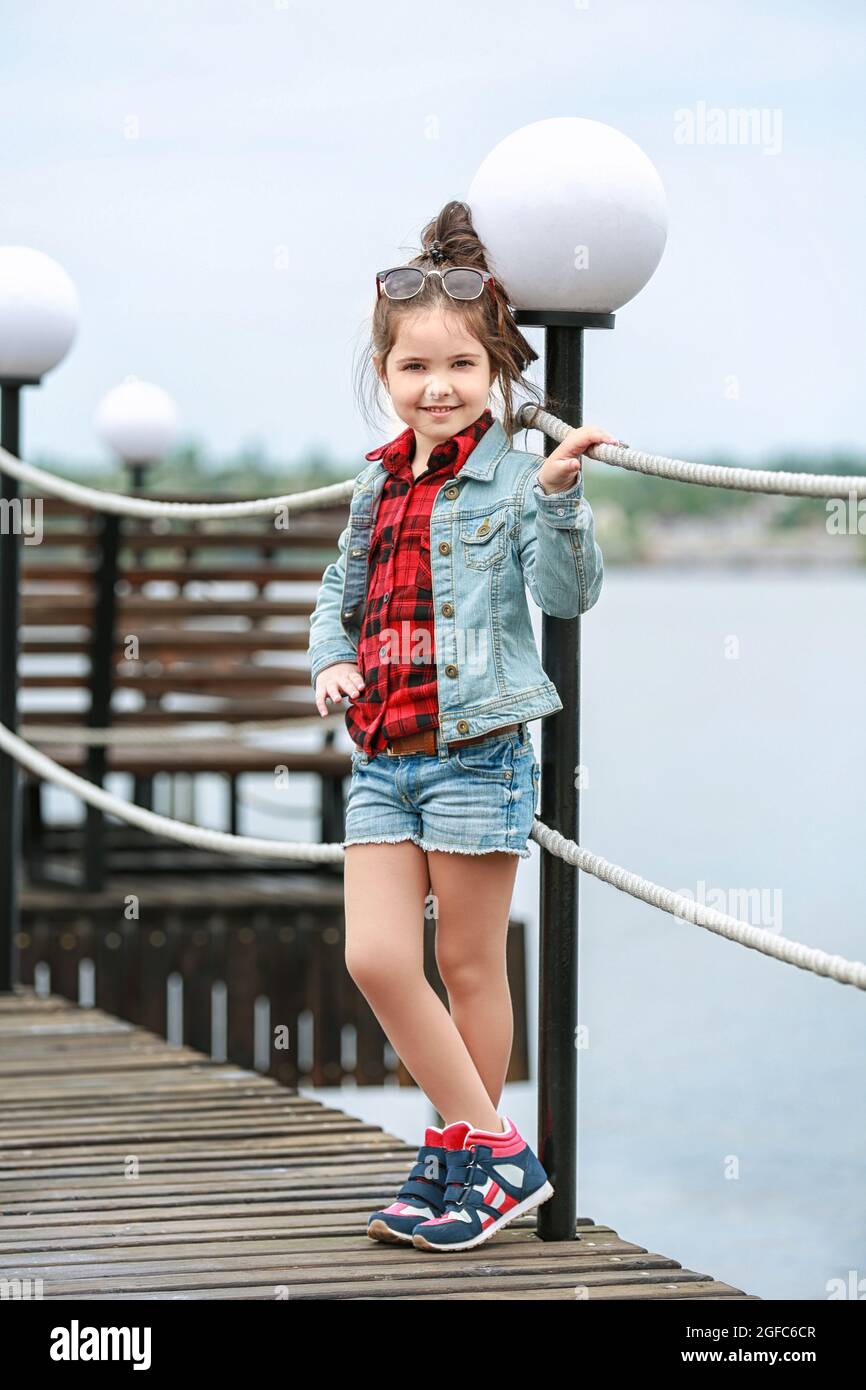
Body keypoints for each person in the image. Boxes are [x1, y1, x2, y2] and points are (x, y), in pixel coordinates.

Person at [307, 199, 617, 1253]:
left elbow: (564, 597)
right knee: (378, 957)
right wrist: (331, 660)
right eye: (412, 369)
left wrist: (561, 499)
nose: (436, 388)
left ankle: (458, 1163)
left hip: (475, 755)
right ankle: (499, 1154)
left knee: (471, 968)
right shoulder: (374, 482)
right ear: (385, 374)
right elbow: (332, 598)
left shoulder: (510, 475)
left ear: (494, 372)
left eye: (460, 369)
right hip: (384, 757)